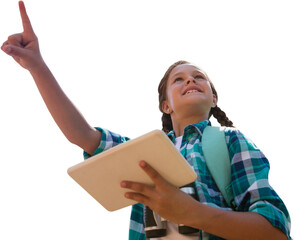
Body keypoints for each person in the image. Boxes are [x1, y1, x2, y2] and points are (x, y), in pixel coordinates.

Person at [2, 1, 291, 240]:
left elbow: (274, 231)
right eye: (179, 79)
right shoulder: (144, 154)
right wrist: (37, 67)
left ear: (214, 99)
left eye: (199, 76)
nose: (190, 78)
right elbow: (83, 135)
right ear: (166, 105)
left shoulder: (230, 141)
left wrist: (192, 212)